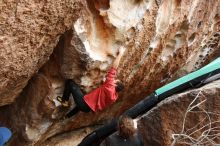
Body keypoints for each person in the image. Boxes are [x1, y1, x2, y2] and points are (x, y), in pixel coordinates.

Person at [57, 46, 126, 118]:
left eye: (115, 80)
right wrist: (105, 83)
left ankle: (64, 101)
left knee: (70, 83)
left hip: (84, 103)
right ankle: (66, 117)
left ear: (114, 84)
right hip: (87, 109)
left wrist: (120, 53)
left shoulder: (110, 86)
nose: (114, 80)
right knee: (79, 106)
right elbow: (104, 94)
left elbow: (114, 68)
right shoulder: (113, 97)